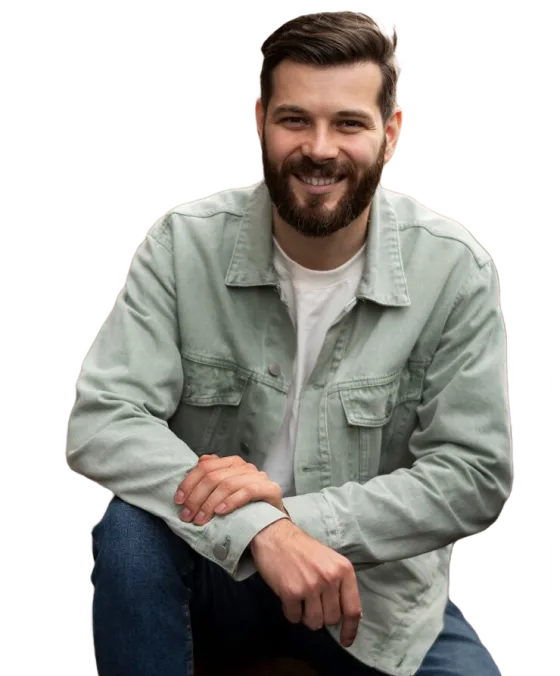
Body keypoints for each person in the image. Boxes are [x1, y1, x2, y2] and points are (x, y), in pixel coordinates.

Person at [65, 9, 512, 676]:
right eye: (295, 119)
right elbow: (103, 420)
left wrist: (299, 522)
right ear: (260, 120)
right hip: (213, 569)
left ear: (392, 130)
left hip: (370, 596)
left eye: (349, 123)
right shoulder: (183, 246)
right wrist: (260, 531)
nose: (320, 148)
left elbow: (473, 474)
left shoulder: (453, 270)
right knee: (130, 534)